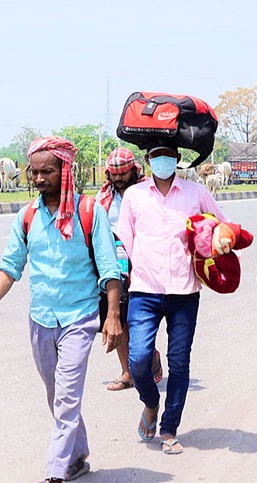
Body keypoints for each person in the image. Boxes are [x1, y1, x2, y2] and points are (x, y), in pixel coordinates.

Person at [0, 136, 122, 483]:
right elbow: (10, 267)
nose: (39, 178)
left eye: (47, 171)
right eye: (34, 172)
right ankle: (78, 453)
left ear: (65, 170)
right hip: (41, 319)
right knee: (57, 395)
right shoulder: (27, 217)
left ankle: (53, 480)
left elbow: (109, 268)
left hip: (80, 318)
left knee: (67, 397)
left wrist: (113, 316)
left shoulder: (90, 212)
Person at [116, 140, 229, 455]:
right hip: (144, 289)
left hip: (184, 290)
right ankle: (150, 403)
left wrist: (214, 243)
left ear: (178, 159)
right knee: (138, 359)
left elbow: (221, 227)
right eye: (156, 155)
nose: (162, 160)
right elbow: (124, 240)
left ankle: (169, 428)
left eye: (168, 155)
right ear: (147, 159)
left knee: (179, 363)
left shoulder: (196, 194)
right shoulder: (135, 196)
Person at [94, 147, 163, 391]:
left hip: (144, 262)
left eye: (123, 174)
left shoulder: (148, 193)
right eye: (115, 175)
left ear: (134, 171)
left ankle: (148, 355)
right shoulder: (104, 199)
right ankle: (128, 372)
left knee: (139, 319)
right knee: (117, 319)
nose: (119, 179)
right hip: (113, 265)